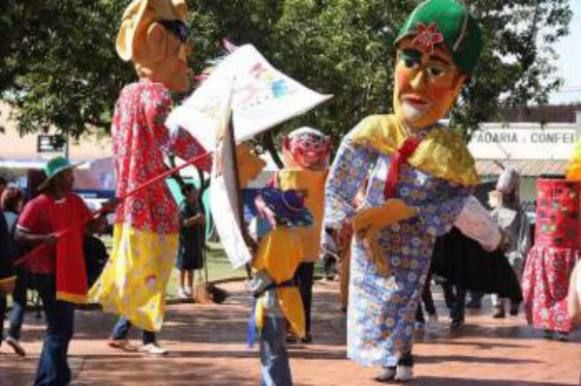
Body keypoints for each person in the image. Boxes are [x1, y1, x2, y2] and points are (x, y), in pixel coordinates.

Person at [322, 1, 496, 381]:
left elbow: (457, 200)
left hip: (413, 238)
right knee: (371, 300)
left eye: (435, 70)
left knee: (403, 296)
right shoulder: (373, 130)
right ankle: (390, 357)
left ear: (457, 84)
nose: (417, 84)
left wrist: (411, 212)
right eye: (410, 63)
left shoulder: (451, 151)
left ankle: (400, 356)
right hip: (371, 234)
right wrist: (335, 226)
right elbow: (341, 180)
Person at [89, 0, 211, 356]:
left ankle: (126, 332)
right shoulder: (156, 95)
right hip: (150, 202)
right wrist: (212, 158)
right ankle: (147, 339)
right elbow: (172, 137)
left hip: (131, 198)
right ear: (158, 41)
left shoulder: (127, 94)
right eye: (181, 52)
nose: (185, 63)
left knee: (140, 268)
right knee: (153, 269)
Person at [15, 156, 111, 386]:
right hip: (45, 273)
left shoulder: (75, 201)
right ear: (57, 179)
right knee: (61, 329)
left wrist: (105, 213)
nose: (73, 177)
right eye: (69, 174)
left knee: (60, 330)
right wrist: (42, 239)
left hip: (68, 270)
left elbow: (91, 228)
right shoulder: (37, 205)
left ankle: (50, 378)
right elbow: (19, 234)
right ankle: (55, 379)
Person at [246, 188, 312, 386]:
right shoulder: (292, 236)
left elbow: (265, 271)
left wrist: (252, 285)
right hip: (287, 298)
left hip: (272, 299)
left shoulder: (273, 238)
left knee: (271, 351)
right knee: (277, 350)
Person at [274, 127, 330, 343]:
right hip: (300, 243)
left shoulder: (283, 175)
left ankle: (297, 328)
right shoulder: (319, 176)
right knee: (300, 289)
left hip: (295, 243)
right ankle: (299, 329)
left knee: (293, 288)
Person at [488, 168, 531, 318]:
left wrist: (521, 252)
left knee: (514, 274)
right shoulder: (495, 210)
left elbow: (524, 233)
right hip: (497, 248)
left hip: (514, 250)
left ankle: (514, 302)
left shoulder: (520, 213)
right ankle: (497, 305)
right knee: (494, 275)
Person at [2, 185, 27, 356]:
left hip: (1, 266)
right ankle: (13, 334)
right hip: (16, 266)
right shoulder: (19, 220)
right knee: (19, 300)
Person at [176, 183, 205, 300]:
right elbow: (184, 223)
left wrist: (202, 220)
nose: (197, 191)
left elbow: (201, 219)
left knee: (192, 265)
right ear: (187, 192)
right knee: (183, 265)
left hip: (196, 239)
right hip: (185, 240)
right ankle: (180, 288)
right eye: (194, 190)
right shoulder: (183, 206)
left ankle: (189, 287)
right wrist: (197, 218)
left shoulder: (197, 204)